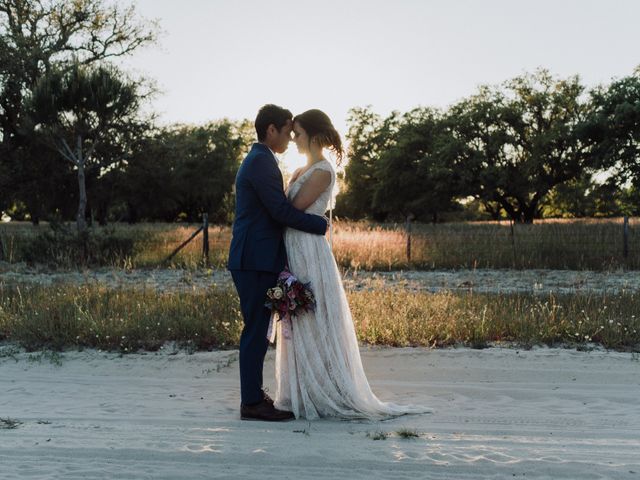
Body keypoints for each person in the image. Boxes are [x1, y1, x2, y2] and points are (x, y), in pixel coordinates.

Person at [273, 109, 430, 419]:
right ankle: (300, 388)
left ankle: (326, 390)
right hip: (293, 246)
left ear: (315, 136)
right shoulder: (298, 171)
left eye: (298, 134)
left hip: (309, 249)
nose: (293, 140)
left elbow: (293, 207)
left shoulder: (322, 171)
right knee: (298, 320)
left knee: (313, 317)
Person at [228, 104, 328, 422]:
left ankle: (255, 396)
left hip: (258, 258)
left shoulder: (263, 160)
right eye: (286, 131)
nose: (288, 139)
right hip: (253, 259)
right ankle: (251, 403)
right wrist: (321, 225)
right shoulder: (260, 162)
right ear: (271, 130)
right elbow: (279, 212)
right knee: (256, 330)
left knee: (260, 329)